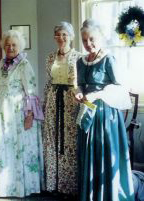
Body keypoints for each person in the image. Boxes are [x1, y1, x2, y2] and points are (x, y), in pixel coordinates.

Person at [75, 19, 135, 201]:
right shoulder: (80, 61)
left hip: (105, 114)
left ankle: (108, 195)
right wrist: (78, 92)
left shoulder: (108, 59)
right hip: (87, 112)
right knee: (88, 153)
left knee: (104, 153)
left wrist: (97, 95)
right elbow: (79, 84)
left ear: (100, 38)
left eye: (92, 39)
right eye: (84, 40)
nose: (88, 44)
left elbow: (120, 87)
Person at [0, 30, 44, 198]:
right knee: (4, 146)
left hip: (18, 113)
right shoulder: (0, 64)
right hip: (1, 112)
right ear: (3, 46)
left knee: (18, 148)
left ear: (20, 46)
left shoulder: (24, 65)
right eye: (7, 44)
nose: (10, 47)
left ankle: (20, 187)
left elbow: (31, 91)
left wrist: (29, 116)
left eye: (14, 45)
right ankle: (4, 187)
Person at [42, 21, 81, 197]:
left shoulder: (79, 57)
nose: (61, 38)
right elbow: (48, 82)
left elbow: (81, 84)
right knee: (52, 140)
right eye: (58, 34)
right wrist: (44, 105)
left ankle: (69, 186)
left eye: (64, 34)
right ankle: (53, 184)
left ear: (71, 36)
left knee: (69, 142)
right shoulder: (50, 57)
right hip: (53, 100)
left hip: (70, 102)